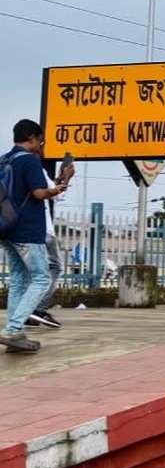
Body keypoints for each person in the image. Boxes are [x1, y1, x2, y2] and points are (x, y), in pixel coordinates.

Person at [0, 120, 68, 353]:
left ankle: (15, 334)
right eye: (41, 140)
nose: (41, 145)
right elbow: (40, 193)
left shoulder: (4, 160)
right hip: (28, 230)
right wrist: (60, 186)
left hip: (6, 229)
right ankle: (12, 328)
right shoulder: (29, 161)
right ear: (31, 137)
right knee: (41, 279)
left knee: (19, 277)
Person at [26, 161, 72, 329]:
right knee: (53, 268)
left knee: (24, 274)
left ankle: (22, 315)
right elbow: (53, 194)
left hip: (17, 229)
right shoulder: (33, 166)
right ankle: (37, 309)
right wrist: (65, 179)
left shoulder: (7, 163)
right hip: (42, 228)